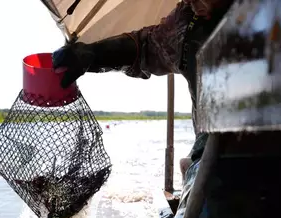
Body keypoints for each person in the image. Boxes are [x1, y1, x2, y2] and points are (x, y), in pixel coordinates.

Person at [52, 0, 233, 180]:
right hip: (210, 163)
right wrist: (94, 53)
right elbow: (147, 46)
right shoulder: (187, 21)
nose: (190, 2)